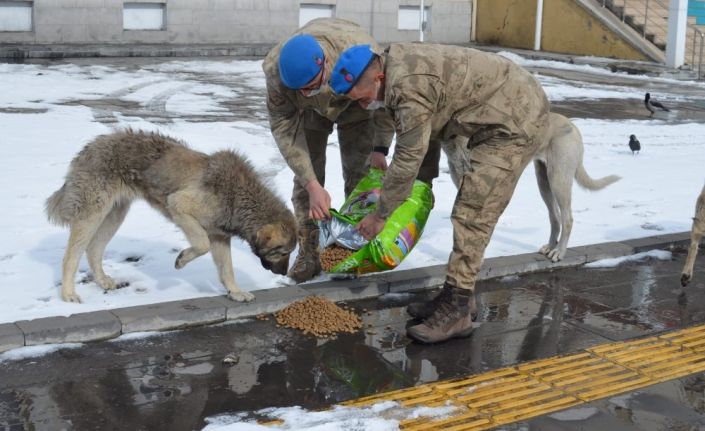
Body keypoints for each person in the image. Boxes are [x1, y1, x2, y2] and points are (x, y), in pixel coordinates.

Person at [330, 43, 550, 343]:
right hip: (498, 104)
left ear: (378, 78)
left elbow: (409, 155)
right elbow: (400, 120)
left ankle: (457, 312)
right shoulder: (390, 70)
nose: (362, 105)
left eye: (363, 98)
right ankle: (457, 295)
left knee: (473, 212)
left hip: (516, 119)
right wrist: (386, 157)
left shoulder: (409, 87)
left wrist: (382, 215)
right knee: (468, 208)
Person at [263, 18, 394, 283]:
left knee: (361, 179)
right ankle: (309, 253)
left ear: (324, 63)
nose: (306, 92)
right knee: (305, 185)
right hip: (311, 115)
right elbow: (284, 128)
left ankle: (353, 247)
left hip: (358, 105)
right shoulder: (276, 72)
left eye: (311, 86)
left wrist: (380, 146)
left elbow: (383, 103)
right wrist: (312, 185)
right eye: (299, 90)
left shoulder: (362, 55)